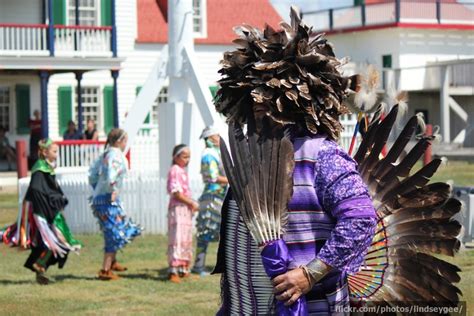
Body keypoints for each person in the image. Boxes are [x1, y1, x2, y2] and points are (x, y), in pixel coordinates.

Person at [212, 10, 377, 314]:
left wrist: (309, 274)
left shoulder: (322, 155)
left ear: (294, 101)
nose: (257, 108)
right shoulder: (248, 157)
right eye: (250, 100)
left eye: (266, 99)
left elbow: (361, 220)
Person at [2, 138, 82, 285]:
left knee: (45, 243)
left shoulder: (47, 166)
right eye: (54, 151)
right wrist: (50, 206)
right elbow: (37, 190)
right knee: (57, 240)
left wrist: (58, 198)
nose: (57, 154)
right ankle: (40, 265)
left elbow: (50, 188)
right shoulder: (40, 168)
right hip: (40, 211)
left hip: (46, 209)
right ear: (45, 152)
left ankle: (40, 270)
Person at [89, 128, 141, 281]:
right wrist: (112, 189)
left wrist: (97, 189)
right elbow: (112, 175)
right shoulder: (115, 156)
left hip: (101, 198)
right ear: (119, 141)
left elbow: (92, 175)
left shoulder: (105, 153)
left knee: (115, 229)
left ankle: (113, 262)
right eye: (125, 140)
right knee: (114, 232)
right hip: (107, 200)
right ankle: (105, 270)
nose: (126, 143)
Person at [192, 127, 228, 276]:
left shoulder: (216, 153)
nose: (220, 139)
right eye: (217, 136)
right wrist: (232, 179)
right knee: (206, 230)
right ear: (210, 138)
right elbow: (213, 177)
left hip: (220, 196)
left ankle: (222, 265)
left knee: (222, 231)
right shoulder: (208, 154)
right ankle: (198, 265)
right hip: (212, 198)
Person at [166, 144, 199, 283]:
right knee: (177, 238)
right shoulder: (174, 170)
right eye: (185, 156)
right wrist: (191, 202)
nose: (187, 160)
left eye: (189, 157)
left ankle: (183, 268)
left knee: (185, 237)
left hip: (184, 209)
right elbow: (176, 192)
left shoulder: (182, 171)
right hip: (178, 208)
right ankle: (173, 269)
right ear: (176, 157)